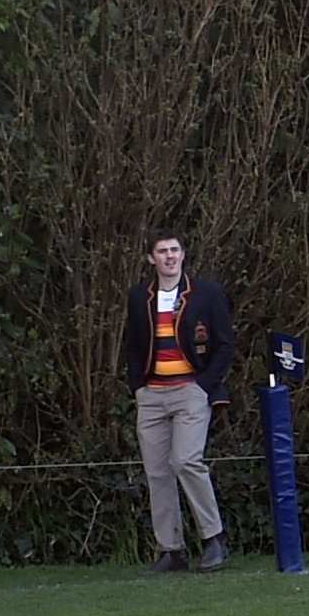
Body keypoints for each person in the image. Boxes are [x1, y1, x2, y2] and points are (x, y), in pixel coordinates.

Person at [122, 233, 235, 573]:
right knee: (157, 472)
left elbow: (225, 345)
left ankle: (213, 538)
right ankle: (171, 549)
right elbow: (133, 346)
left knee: (186, 460)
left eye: (174, 250)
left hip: (190, 389)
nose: (169, 257)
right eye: (162, 251)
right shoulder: (139, 297)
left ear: (183, 255)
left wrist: (203, 387)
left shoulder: (207, 293)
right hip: (152, 394)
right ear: (150, 258)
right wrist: (138, 388)